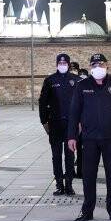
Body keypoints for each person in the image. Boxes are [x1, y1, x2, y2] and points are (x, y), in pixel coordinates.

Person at [68, 53, 111, 221]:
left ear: (107, 65)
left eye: (101, 64)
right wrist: (72, 136)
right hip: (89, 139)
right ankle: (87, 210)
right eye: (94, 65)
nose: (98, 68)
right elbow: (74, 112)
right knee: (88, 175)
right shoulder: (82, 86)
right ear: (90, 67)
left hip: (110, 137)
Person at [39, 53, 79, 196]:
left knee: (69, 156)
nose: (62, 65)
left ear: (68, 64)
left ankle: (69, 185)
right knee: (56, 156)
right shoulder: (50, 80)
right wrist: (43, 121)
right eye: (60, 63)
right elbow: (42, 102)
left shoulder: (76, 80)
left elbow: (81, 104)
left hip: (71, 125)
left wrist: (80, 122)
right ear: (57, 64)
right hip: (55, 124)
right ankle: (59, 184)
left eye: (65, 63)